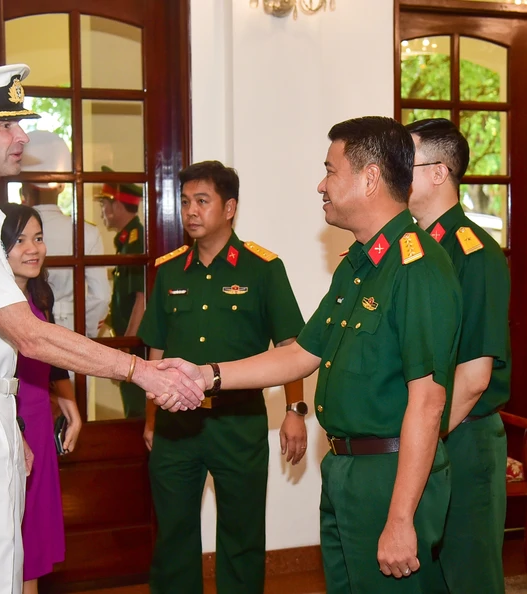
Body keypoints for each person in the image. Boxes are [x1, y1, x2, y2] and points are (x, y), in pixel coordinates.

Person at [0, 63, 201, 594]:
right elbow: (29, 335)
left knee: (3, 576)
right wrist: (138, 370)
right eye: (8, 126)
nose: (22, 137)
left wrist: (8, 425)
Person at [159, 117, 462, 593]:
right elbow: (301, 353)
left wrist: (401, 517)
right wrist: (205, 375)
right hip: (345, 470)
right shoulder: (360, 265)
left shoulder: (416, 266)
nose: (321, 185)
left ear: (369, 178)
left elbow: (427, 400)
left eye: (330, 170)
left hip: (390, 477)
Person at [138, 160, 307, 594]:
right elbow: (155, 351)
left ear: (229, 207)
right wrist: (151, 420)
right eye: (185, 201)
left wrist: (294, 410)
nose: (190, 211)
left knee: (242, 536)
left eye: (202, 201)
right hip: (176, 425)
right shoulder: (169, 270)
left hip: (239, 422)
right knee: (173, 536)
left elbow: (291, 347)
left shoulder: (263, 268)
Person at [406, 118, 511, 594]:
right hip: (426, 431)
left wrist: (418, 441)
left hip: (462, 436)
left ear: (438, 173)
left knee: (468, 574)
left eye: (404, 163)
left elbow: (473, 379)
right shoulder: (412, 251)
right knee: (423, 573)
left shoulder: (474, 254)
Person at [0, 203, 81, 594]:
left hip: (38, 419)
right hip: (7, 424)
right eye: (19, 241)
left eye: (38, 238)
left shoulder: (37, 293)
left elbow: (50, 355)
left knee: (31, 539)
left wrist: (70, 403)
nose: (33, 248)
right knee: (7, 537)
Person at [20, 130, 110, 337]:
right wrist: (85, 333)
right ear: (61, 186)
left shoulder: (13, 231)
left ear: (23, 189)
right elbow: (102, 297)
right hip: (72, 328)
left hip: (26, 327)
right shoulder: (87, 232)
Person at [96, 170, 147, 417]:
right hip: (129, 344)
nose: (102, 211)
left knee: (137, 414)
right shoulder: (126, 241)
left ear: (116, 205)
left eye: (104, 204)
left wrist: (126, 346)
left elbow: (142, 297)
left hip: (137, 349)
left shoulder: (136, 242)